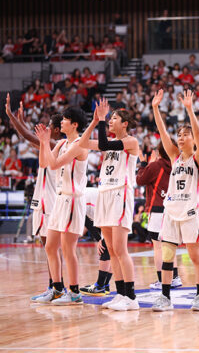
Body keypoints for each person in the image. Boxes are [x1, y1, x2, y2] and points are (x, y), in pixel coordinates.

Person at [79, 98, 140, 311]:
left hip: (120, 193)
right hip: (104, 194)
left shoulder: (131, 142)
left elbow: (104, 144)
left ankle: (131, 297)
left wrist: (102, 120)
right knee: (111, 250)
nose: (111, 121)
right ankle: (121, 294)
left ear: (125, 123)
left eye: (114, 118)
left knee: (121, 249)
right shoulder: (110, 143)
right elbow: (83, 143)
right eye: (110, 118)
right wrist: (96, 121)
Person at [151, 89, 199, 312]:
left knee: (195, 256)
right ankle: (165, 298)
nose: (181, 137)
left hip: (191, 213)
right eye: (180, 134)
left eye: (186, 134)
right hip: (171, 212)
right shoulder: (174, 157)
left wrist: (189, 110)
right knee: (167, 256)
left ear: (193, 138)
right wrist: (155, 108)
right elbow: (163, 133)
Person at [5, 94, 65, 302]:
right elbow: (29, 137)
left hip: (50, 200)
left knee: (51, 247)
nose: (46, 129)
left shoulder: (58, 143)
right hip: (43, 200)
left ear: (56, 129)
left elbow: (30, 137)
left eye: (49, 126)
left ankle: (58, 287)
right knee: (47, 247)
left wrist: (12, 118)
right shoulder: (49, 143)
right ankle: (54, 286)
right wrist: (20, 121)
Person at [34, 107, 88, 305]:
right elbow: (44, 162)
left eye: (65, 120)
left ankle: (74, 293)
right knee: (50, 246)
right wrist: (43, 142)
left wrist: (47, 143)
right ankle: (57, 289)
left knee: (68, 249)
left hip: (73, 199)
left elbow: (55, 164)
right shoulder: (63, 143)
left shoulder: (79, 144)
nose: (61, 122)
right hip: (60, 199)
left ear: (74, 124)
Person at [136, 147, 182, 290]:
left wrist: (144, 164)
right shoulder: (177, 164)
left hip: (157, 209)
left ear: (159, 152)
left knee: (158, 247)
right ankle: (174, 277)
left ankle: (162, 280)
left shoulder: (155, 166)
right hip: (172, 209)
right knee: (170, 245)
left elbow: (140, 180)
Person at [80, 187, 114, 296]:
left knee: (106, 248)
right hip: (109, 211)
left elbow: (88, 222)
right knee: (111, 250)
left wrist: (100, 239)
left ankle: (100, 286)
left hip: (110, 213)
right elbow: (87, 222)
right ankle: (105, 284)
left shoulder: (79, 200)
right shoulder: (81, 197)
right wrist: (99, 238)